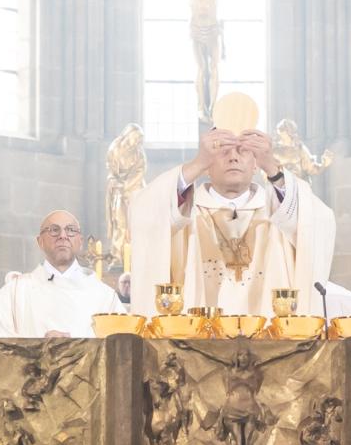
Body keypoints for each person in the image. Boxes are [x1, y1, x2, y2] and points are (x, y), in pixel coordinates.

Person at [126, 120, 338, 315]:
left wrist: (272, 167)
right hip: (194, 340)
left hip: (271, 339)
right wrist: (196, 164)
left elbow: (319, 221)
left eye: (243, 151)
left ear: (256, 164)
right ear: (207, 165)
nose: (233, 157)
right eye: (223, 151)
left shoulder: (280, 211)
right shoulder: (183, 211)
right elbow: (143, 212)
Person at [0, 212, 122, 338]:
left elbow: (121, 347)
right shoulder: (15, 291)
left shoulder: (105, 297)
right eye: (54, 230)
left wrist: (76, 347)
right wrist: (38, 348)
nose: (63, 236)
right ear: (40, 241)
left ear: (80, 241)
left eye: (70, 230)